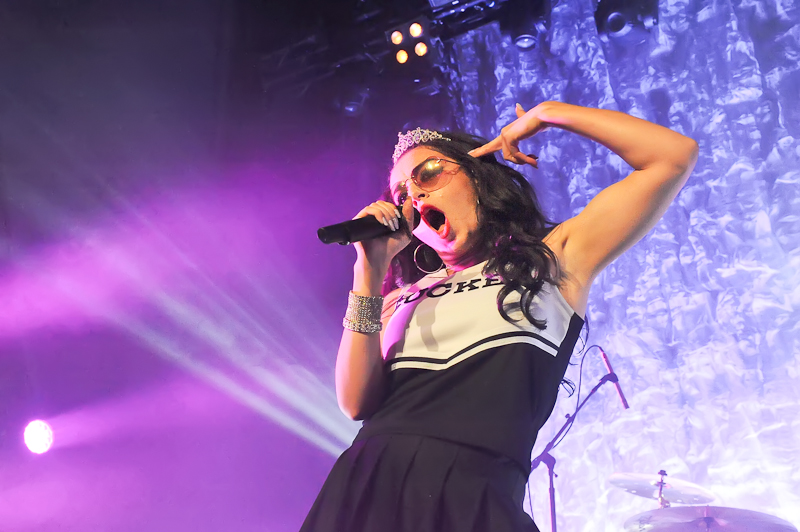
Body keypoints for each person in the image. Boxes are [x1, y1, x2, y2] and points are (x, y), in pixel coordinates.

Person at [300, 101, 698, 532]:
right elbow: (355, 403)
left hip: (476, 496)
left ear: (477, 178)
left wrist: (546, 114)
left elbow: (671, 156)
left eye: (429, 174)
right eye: (401, 195)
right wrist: (369, 271)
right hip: (368, 489)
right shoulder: (402, 297)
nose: (413, 196)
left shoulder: (554, 259)